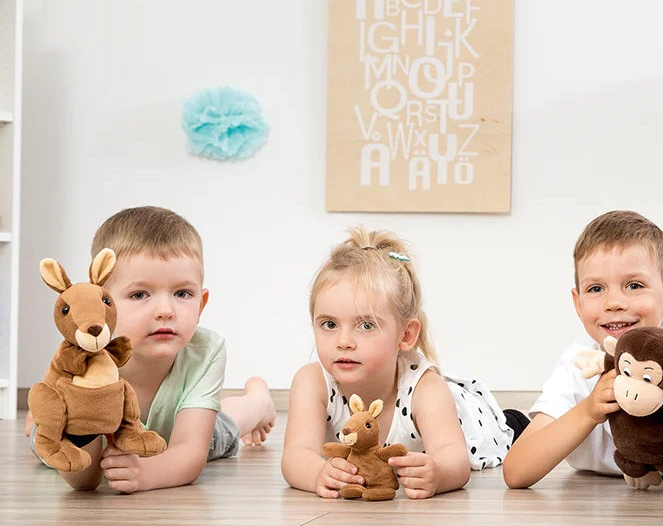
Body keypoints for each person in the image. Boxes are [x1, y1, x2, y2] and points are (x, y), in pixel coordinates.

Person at [29, 205, 276, 492]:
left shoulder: (206, 350)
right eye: (139, 294)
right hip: (83, 431)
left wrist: (147, 474)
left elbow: (189, 453)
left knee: (219, 432)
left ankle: (259, 402)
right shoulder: (83, 351)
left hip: (173, 439)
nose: (165, 311)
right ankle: (38, 414)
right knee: (44, 439)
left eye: (182, 293)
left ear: (201, 304)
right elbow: (84, 480)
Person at [282, 225, 516, 500]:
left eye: (366, 325)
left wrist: (438, 473)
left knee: (510, 428)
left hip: (470, 421)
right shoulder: (312, 382)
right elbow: (295, 455)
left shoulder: (426, 389)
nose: (343, 341)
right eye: (329, 324)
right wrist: (316, 473)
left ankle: (524, 420)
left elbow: (456, 459)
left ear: (405, 335)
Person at [503, 209, 663, 489]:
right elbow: (516, 472)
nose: (613, 302)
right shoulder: (578, 363)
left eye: (634, 285)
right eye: (596, 289)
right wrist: (589, 411)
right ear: (578, 303)